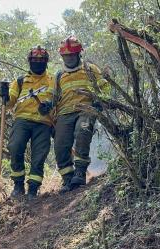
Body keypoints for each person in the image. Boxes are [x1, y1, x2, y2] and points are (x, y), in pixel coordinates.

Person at [49, 36, 109, 193]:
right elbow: (53, 98)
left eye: (72, 55)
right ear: (62, 57)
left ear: (78, 54)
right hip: (64, 113)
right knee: (61, 144)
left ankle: (80, 173)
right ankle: (67, 179)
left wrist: (100, 101)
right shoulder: (58, 76)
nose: (69, 58)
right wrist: (47, 108)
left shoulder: (90, 69)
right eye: (66, 56)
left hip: (86, 109)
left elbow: (105, 87)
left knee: (82, 132)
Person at [0, 46, 54, 200]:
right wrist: (4, 95)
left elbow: (57, 100)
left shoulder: (52, 80)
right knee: (15, 147)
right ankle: (18, 185)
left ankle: (33, 189)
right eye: (35, 60)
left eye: (41, 60)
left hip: (43, 123)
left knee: (39, 155)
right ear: (30, 61)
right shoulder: (20, 81)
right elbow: (9, 103)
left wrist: (49, 106)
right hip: (22, 120)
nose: (38, 63)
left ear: (46, 62)